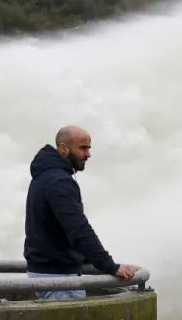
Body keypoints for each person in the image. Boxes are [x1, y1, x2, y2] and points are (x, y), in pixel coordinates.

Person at [24, 125, 139, 299]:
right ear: (64, 148)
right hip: (60, 281)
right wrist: (109, 266)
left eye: (89, 149)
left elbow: (55, 228)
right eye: (83, 148)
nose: (88, 154)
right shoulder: (59, 181)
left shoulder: (45, 176)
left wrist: (86, 259)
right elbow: (78, 228)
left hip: (44, 273)